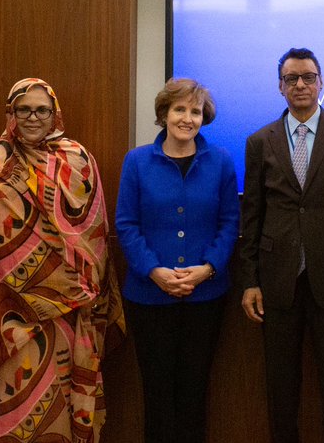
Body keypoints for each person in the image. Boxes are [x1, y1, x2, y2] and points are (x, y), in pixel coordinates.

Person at [0, 78, 123, 442]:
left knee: (55, 401)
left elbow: (94, 232)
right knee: (1, 396)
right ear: (11, 113)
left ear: (55, 113)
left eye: (42, 110)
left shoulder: (78, 159)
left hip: (62, 308)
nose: (33, 117)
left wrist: (65, 285)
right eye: (24, 109)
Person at [238, 48, 324, 443]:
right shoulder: (259, 141)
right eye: (292, 79)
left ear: (322, 82)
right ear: (280, 86)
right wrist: (249, 279)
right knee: (281, 391)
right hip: (277, 283)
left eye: (308, 77)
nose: (301, 85)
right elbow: (252, 217)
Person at [115, 78, 239, 442]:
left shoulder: (220, 162)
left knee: (194, 392)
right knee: (157, 395)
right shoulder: (137, 161)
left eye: (196, 111)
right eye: (180, 109)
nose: (188, 118)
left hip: (206, 297)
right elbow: (126, 223)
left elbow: (230, 222)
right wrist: (154, 271)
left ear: (204, 117)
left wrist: (207, 269)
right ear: (164, 114)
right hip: (149, 296)